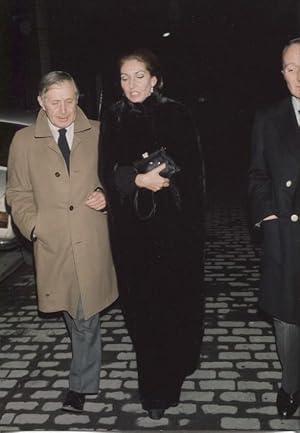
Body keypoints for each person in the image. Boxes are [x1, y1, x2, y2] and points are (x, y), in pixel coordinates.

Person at [99, 48, 205, 419]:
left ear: (155, 78)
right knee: (141, 312)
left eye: (139, 76)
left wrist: (168, 179)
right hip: (133, 234)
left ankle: (167, 381)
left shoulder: (177, 112)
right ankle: (155, 388)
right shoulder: (112, 115)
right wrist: (136, 179)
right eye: (125, 78)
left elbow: (195, 173)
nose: (132, 85)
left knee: (172, 308)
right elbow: (106, 170)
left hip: (174, 232)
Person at [6, 71, 118, 413]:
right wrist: (34, 226)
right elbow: (17, 192)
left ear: (78, 98)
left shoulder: (99, 132)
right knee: (72, 311)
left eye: (70, 100)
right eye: (55, 102)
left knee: (85, 314)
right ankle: (86, 366)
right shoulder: (24, 141)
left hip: (90, 237)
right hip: (53, 241)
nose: (64, 109)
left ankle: (80, 385)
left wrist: (106, 194)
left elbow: (118, 176)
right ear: (41, 102)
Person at [249, 37, 300, 419]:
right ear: (282, 74)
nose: (298, 75)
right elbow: (257, 175)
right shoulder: (269, 118)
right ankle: (290, 384)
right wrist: (267, 216)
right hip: (286, 230)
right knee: (287, 314)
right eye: (290, 68)